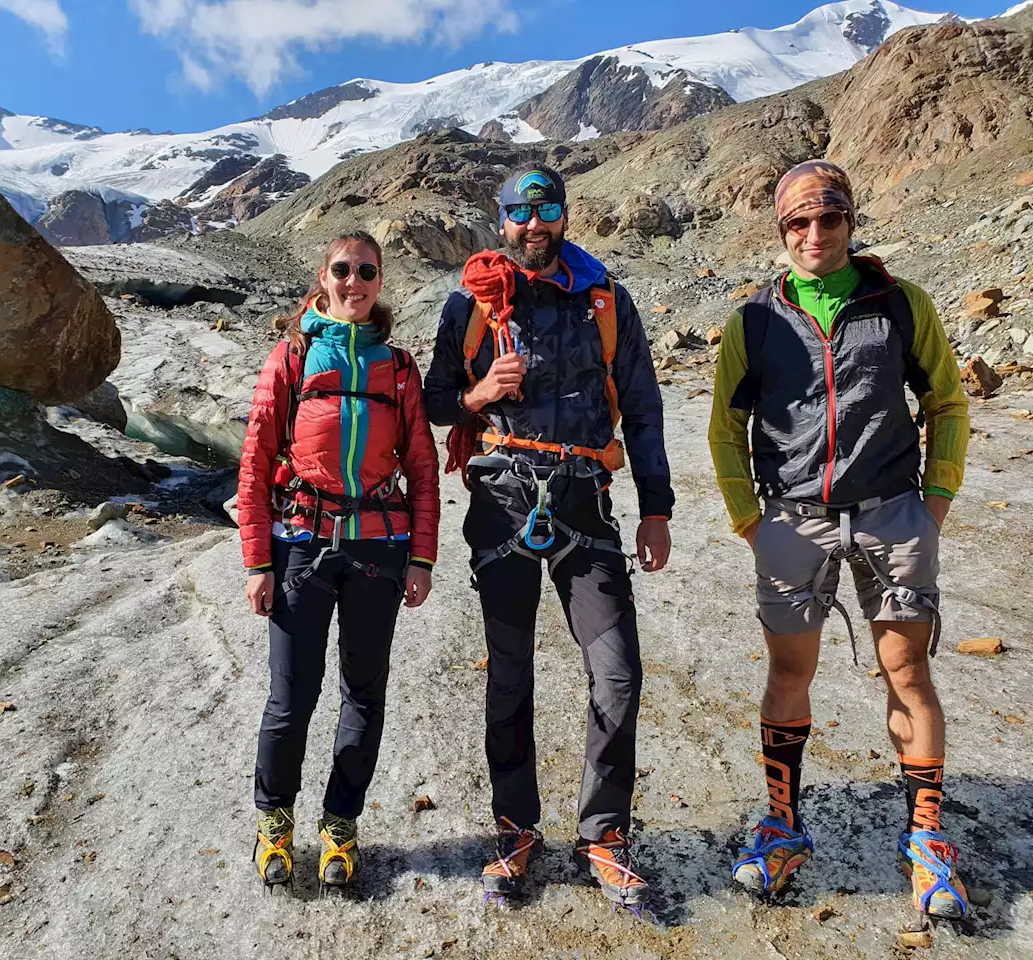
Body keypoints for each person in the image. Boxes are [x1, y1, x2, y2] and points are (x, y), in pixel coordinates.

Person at [708, 160, 971, 917]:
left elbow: (946, 403)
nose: (814, 233)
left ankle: (926, 840)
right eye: (798, 221)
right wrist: (749, 521)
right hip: (793, 517)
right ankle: (783, 824)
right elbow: (725, 427)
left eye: (829, 218)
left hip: (893, 512)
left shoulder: (899, 304)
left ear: (851, 222)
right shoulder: (752, 320)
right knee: (790, 672)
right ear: (781, 232)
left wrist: (937, 499)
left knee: (907, 672)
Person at [424, 164, 674, 908]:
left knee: (618, 672)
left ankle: (604, 832)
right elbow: (436, 400)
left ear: (566, 216)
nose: (536, 225)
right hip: (503, 501)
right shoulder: (469, 304)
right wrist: (479, 394)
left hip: (585, 503)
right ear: (499, 219)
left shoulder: (605, 301)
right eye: (521, 213)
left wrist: (655, 506)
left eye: (549, 210)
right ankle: (515, 827)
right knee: (510, 671)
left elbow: (643, 404)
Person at [237, 231, 440, 891]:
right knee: (291, 698)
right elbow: (257, 461)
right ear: (324, 278)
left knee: (363, 693)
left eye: (367, 272)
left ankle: (339, 827)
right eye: (342, 270)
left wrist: (424, 558)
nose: (354, 282)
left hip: (379, 549)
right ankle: (274, 824)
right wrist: (258, 562)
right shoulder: (292, 357)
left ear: (381, 283)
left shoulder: (399, 367)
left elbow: (421, 468)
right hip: (300, 543)